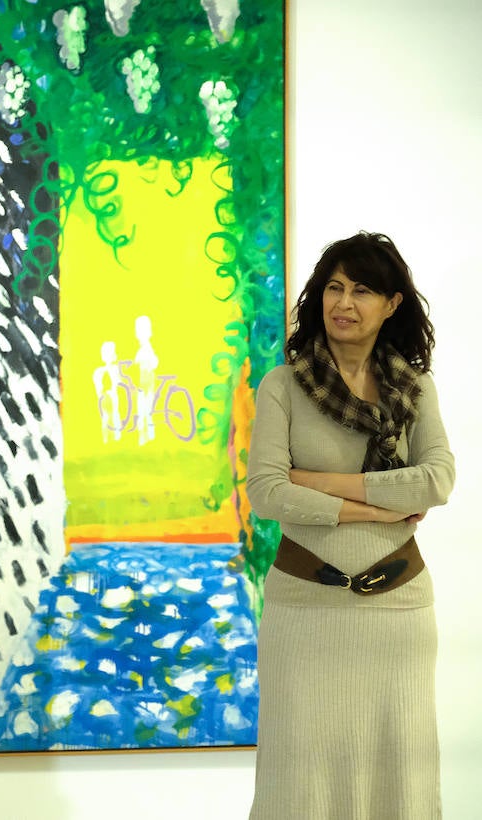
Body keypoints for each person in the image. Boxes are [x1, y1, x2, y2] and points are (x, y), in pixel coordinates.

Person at [246, 231, 453, 819]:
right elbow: (266, 492)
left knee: (399, 779)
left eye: (363, 290)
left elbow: (436, 480)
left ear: (391, 305)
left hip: (399, 614)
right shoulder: (283, 386)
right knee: (298, 783)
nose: (344, 301)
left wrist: (320, 482)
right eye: (334, 287)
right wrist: (374, 508)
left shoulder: (414, 389)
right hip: (304, 610)